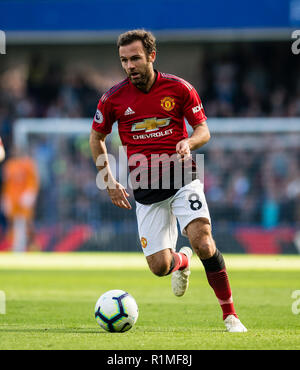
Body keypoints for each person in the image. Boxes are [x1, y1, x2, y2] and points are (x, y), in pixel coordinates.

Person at [89, 29, 247, 332]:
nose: (130, 66)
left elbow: (203, 130)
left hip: (182, 178)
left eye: (135, 58)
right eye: (124, 60)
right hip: (146, 190)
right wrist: (108, 180)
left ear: (151, 55)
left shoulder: (179, 88)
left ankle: (230, 315)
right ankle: (181, 262)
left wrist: (190, 143)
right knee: (159, 268)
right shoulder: (114, 99)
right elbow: (97, 138)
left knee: (202, 240)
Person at [1, 147, 40, 252]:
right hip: (13, 199)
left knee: (27, 223)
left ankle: (31, 247)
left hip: (24, 199)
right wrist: (6, 198)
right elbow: (7, 184)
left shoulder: (28, 164)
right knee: (13, 225)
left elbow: (33, 181)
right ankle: (16, 247)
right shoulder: (9, 165)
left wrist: (30, 193)